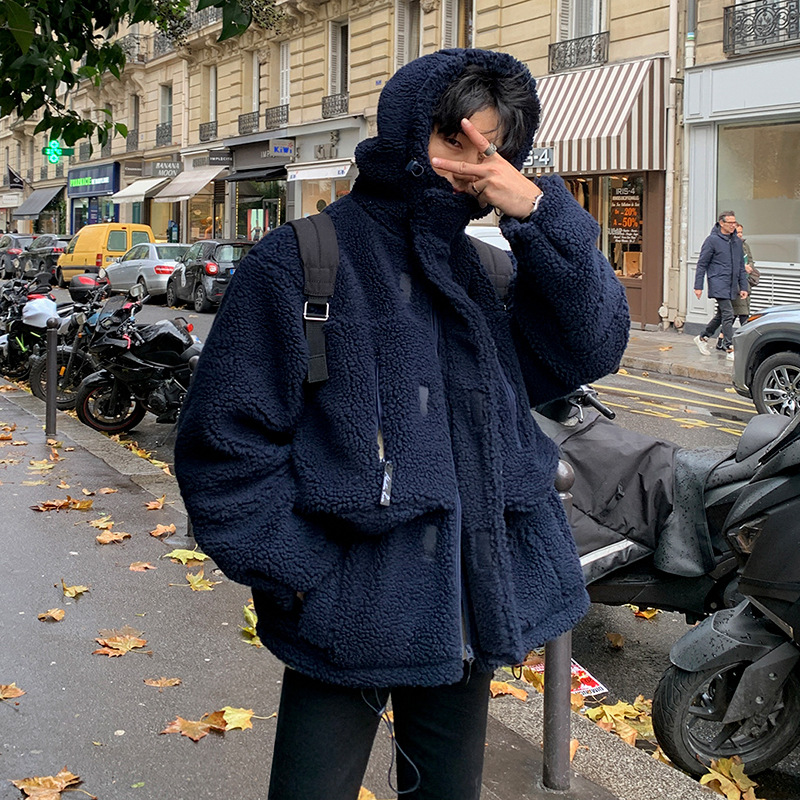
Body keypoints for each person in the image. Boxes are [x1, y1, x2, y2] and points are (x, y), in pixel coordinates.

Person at [174, 48, 630, 800]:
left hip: (465, 606)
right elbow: (224, 445)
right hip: (343, 612)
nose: (470, 166)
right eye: (455, 139)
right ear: (409, 130)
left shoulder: (484, 270)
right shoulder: (300, 260)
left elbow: (593, 344)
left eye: (492, 149)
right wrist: (304, 579)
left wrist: (542, 214)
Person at [693, 210, 748, 362]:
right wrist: (698, 286)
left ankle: (703, 337)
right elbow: (702, 264)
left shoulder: (736, 241)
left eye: (734, 222)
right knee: (729, 313)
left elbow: (741, 266)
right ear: (721, 223)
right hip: (718, 281)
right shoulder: (712, 240)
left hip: (732, 283)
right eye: (730, 223)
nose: (733, 225)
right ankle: (730, 347)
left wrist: (744, 287)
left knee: (721, 314)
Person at [714, 223, 760, 350]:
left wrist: (749, 267)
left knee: (734, 314)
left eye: (741, 232)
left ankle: (721, 339)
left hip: (745, 283)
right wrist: (742, 267)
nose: (740, 234)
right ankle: (742, 341)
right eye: (738, 232)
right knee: (741, 314)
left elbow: (750, 259)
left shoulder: (745, 245)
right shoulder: (729, 245)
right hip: (735, 284)